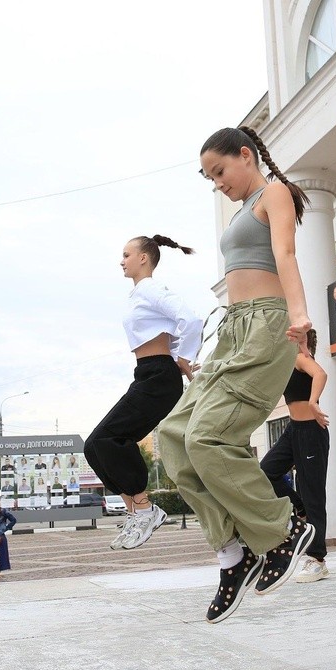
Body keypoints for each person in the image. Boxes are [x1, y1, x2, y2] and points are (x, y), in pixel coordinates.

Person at [159, 125, 315, 624]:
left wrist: (299, 315)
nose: (218, 183)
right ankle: (232, 553)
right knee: (174, 435)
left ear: (245, 156)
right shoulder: (242, 208)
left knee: (208, 438)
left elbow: (286, 256)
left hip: (268, 323)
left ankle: (283, 529)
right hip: (232, 329)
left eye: (220, 171)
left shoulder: (275, 193)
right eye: (210, 178)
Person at [84, 234, 202, 552]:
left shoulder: (150, 288)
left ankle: (146, 508)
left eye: (126, 254)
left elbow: (190, 319)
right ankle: (137, 512)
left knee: (105, 440)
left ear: (144, 258)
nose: (121, 261)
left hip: (158, 377)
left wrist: (183, 357)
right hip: (147, 374)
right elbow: (167, 330)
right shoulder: (139, 294)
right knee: (95, 447)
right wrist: (176, 351)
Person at [259, 328, 331, 582]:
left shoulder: (302, 359)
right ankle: (298, 508)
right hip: (294, 430)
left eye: (292, 336)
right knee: (266, 472)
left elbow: (321, 373)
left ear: (304, 339)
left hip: (311, 431)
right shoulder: (289, 360)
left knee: (313, 494)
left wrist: (313, 402)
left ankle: (317, 559)